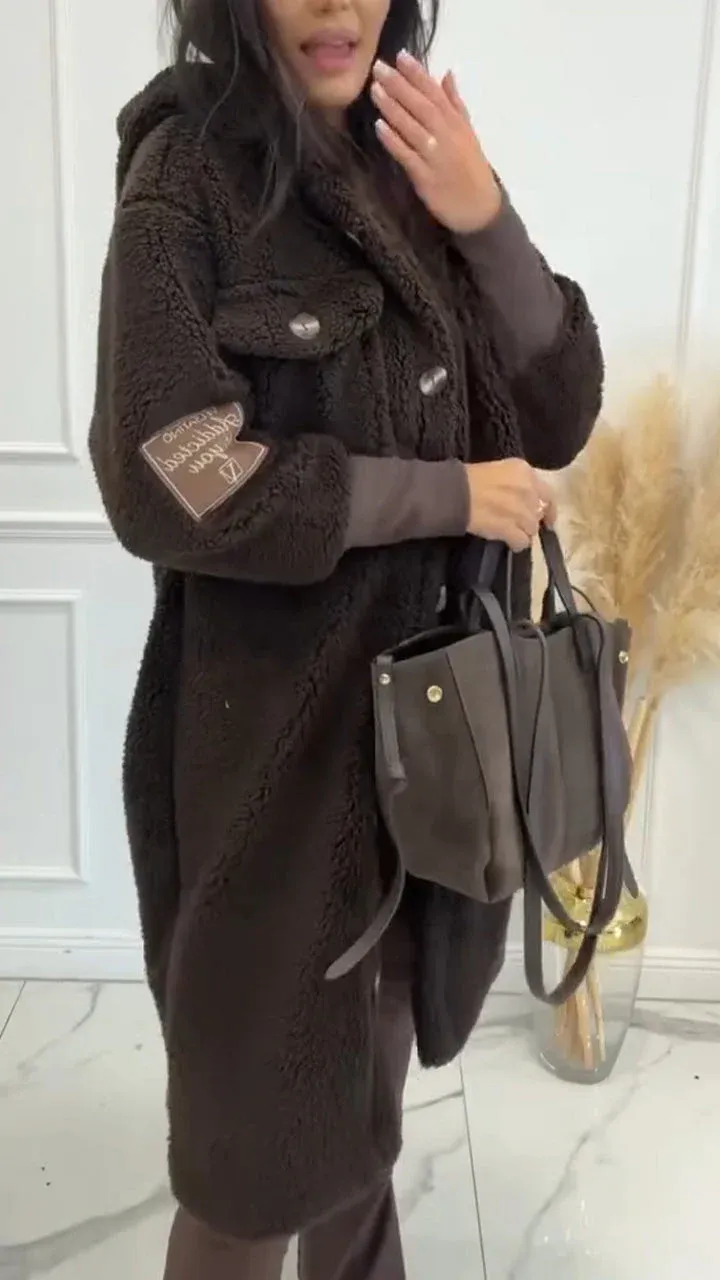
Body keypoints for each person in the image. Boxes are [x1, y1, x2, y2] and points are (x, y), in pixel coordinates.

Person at [89, 0, 602, 1275]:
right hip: (278, 762)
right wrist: (444, 495)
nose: (338, 5)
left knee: (360, 1114)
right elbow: (171, 471)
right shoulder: (188, 177)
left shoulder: (412, 156)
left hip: (434, 749)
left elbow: (559, 411)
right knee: (251, 1161)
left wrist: (486, 218)